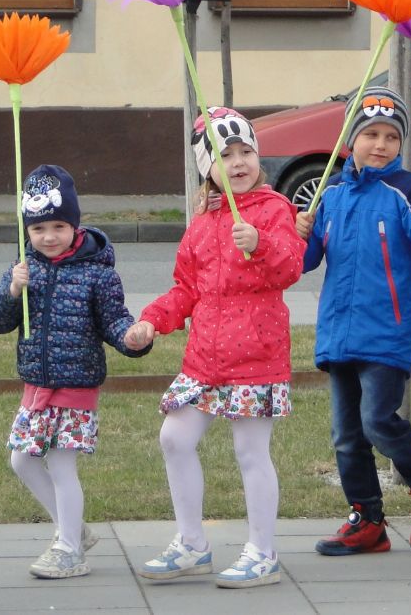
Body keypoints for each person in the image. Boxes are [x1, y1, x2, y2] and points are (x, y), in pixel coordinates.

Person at [129, 109, 305, 589]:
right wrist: (151, 321)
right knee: (174, 437)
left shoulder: (272, 210)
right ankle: (192, 543)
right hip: (205, 359)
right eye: (225, 155)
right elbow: (185, 289)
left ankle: (262, 552)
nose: (238, 161)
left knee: (251, 451)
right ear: (207, 166)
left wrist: (261, 242)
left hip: (257, 355)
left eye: (246, 151)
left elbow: (291, 267)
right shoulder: (201, 225)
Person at [295, 86, 411, 556]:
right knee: (346, 436)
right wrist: (298, 233)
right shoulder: (331, 193)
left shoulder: (408, 191)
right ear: (351, 139)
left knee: (378, 421)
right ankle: (367, 519)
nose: (381, 144)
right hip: (338, 333)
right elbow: (303, 262)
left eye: (392, 136)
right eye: (370, 133)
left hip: (386, 332)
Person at [0, 163, 150, 579]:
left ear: (75, 225)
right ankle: (72, 527)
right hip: (36, 383)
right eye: (39, 229)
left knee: (60, 466)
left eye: (58, 226)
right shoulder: (23, 268)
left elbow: (114, 322)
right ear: (27, 231)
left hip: (75, 385)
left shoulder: (98, 273)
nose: (49, 237)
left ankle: (69, 549)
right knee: (21, 461)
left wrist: (132, 337)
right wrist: (12, 291)